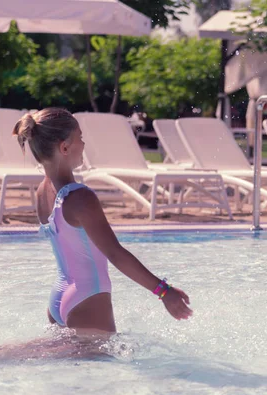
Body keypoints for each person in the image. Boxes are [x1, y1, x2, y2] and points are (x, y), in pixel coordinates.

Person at [12, 108, 193, 335]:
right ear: (64, 147)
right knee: (99, 366)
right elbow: (115, 253)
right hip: (87, 297)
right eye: (80, 137)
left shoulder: (42, 192)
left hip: (59, 296)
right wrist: (163, 291)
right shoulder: (80, 198)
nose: (84, 144)